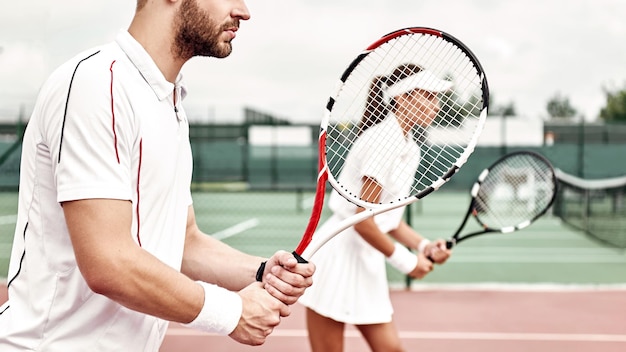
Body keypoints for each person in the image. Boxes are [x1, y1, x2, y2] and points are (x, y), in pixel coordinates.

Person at [0, 0, 315, 351]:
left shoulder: (170, 102)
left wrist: (261, 271)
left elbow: (184, 241)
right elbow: (109, 262)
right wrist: (233, 313)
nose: (244, 11)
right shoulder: (97, 84)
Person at [298, 63, 453, 352]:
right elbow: (362, 221)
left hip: (365, 259)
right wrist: (407, 263)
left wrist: (424, 247)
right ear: (403, 98)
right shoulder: (383, 141)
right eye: (429, 95)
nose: (436, 104)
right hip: (339, 256)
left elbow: (388, 221)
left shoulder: (410, 146)